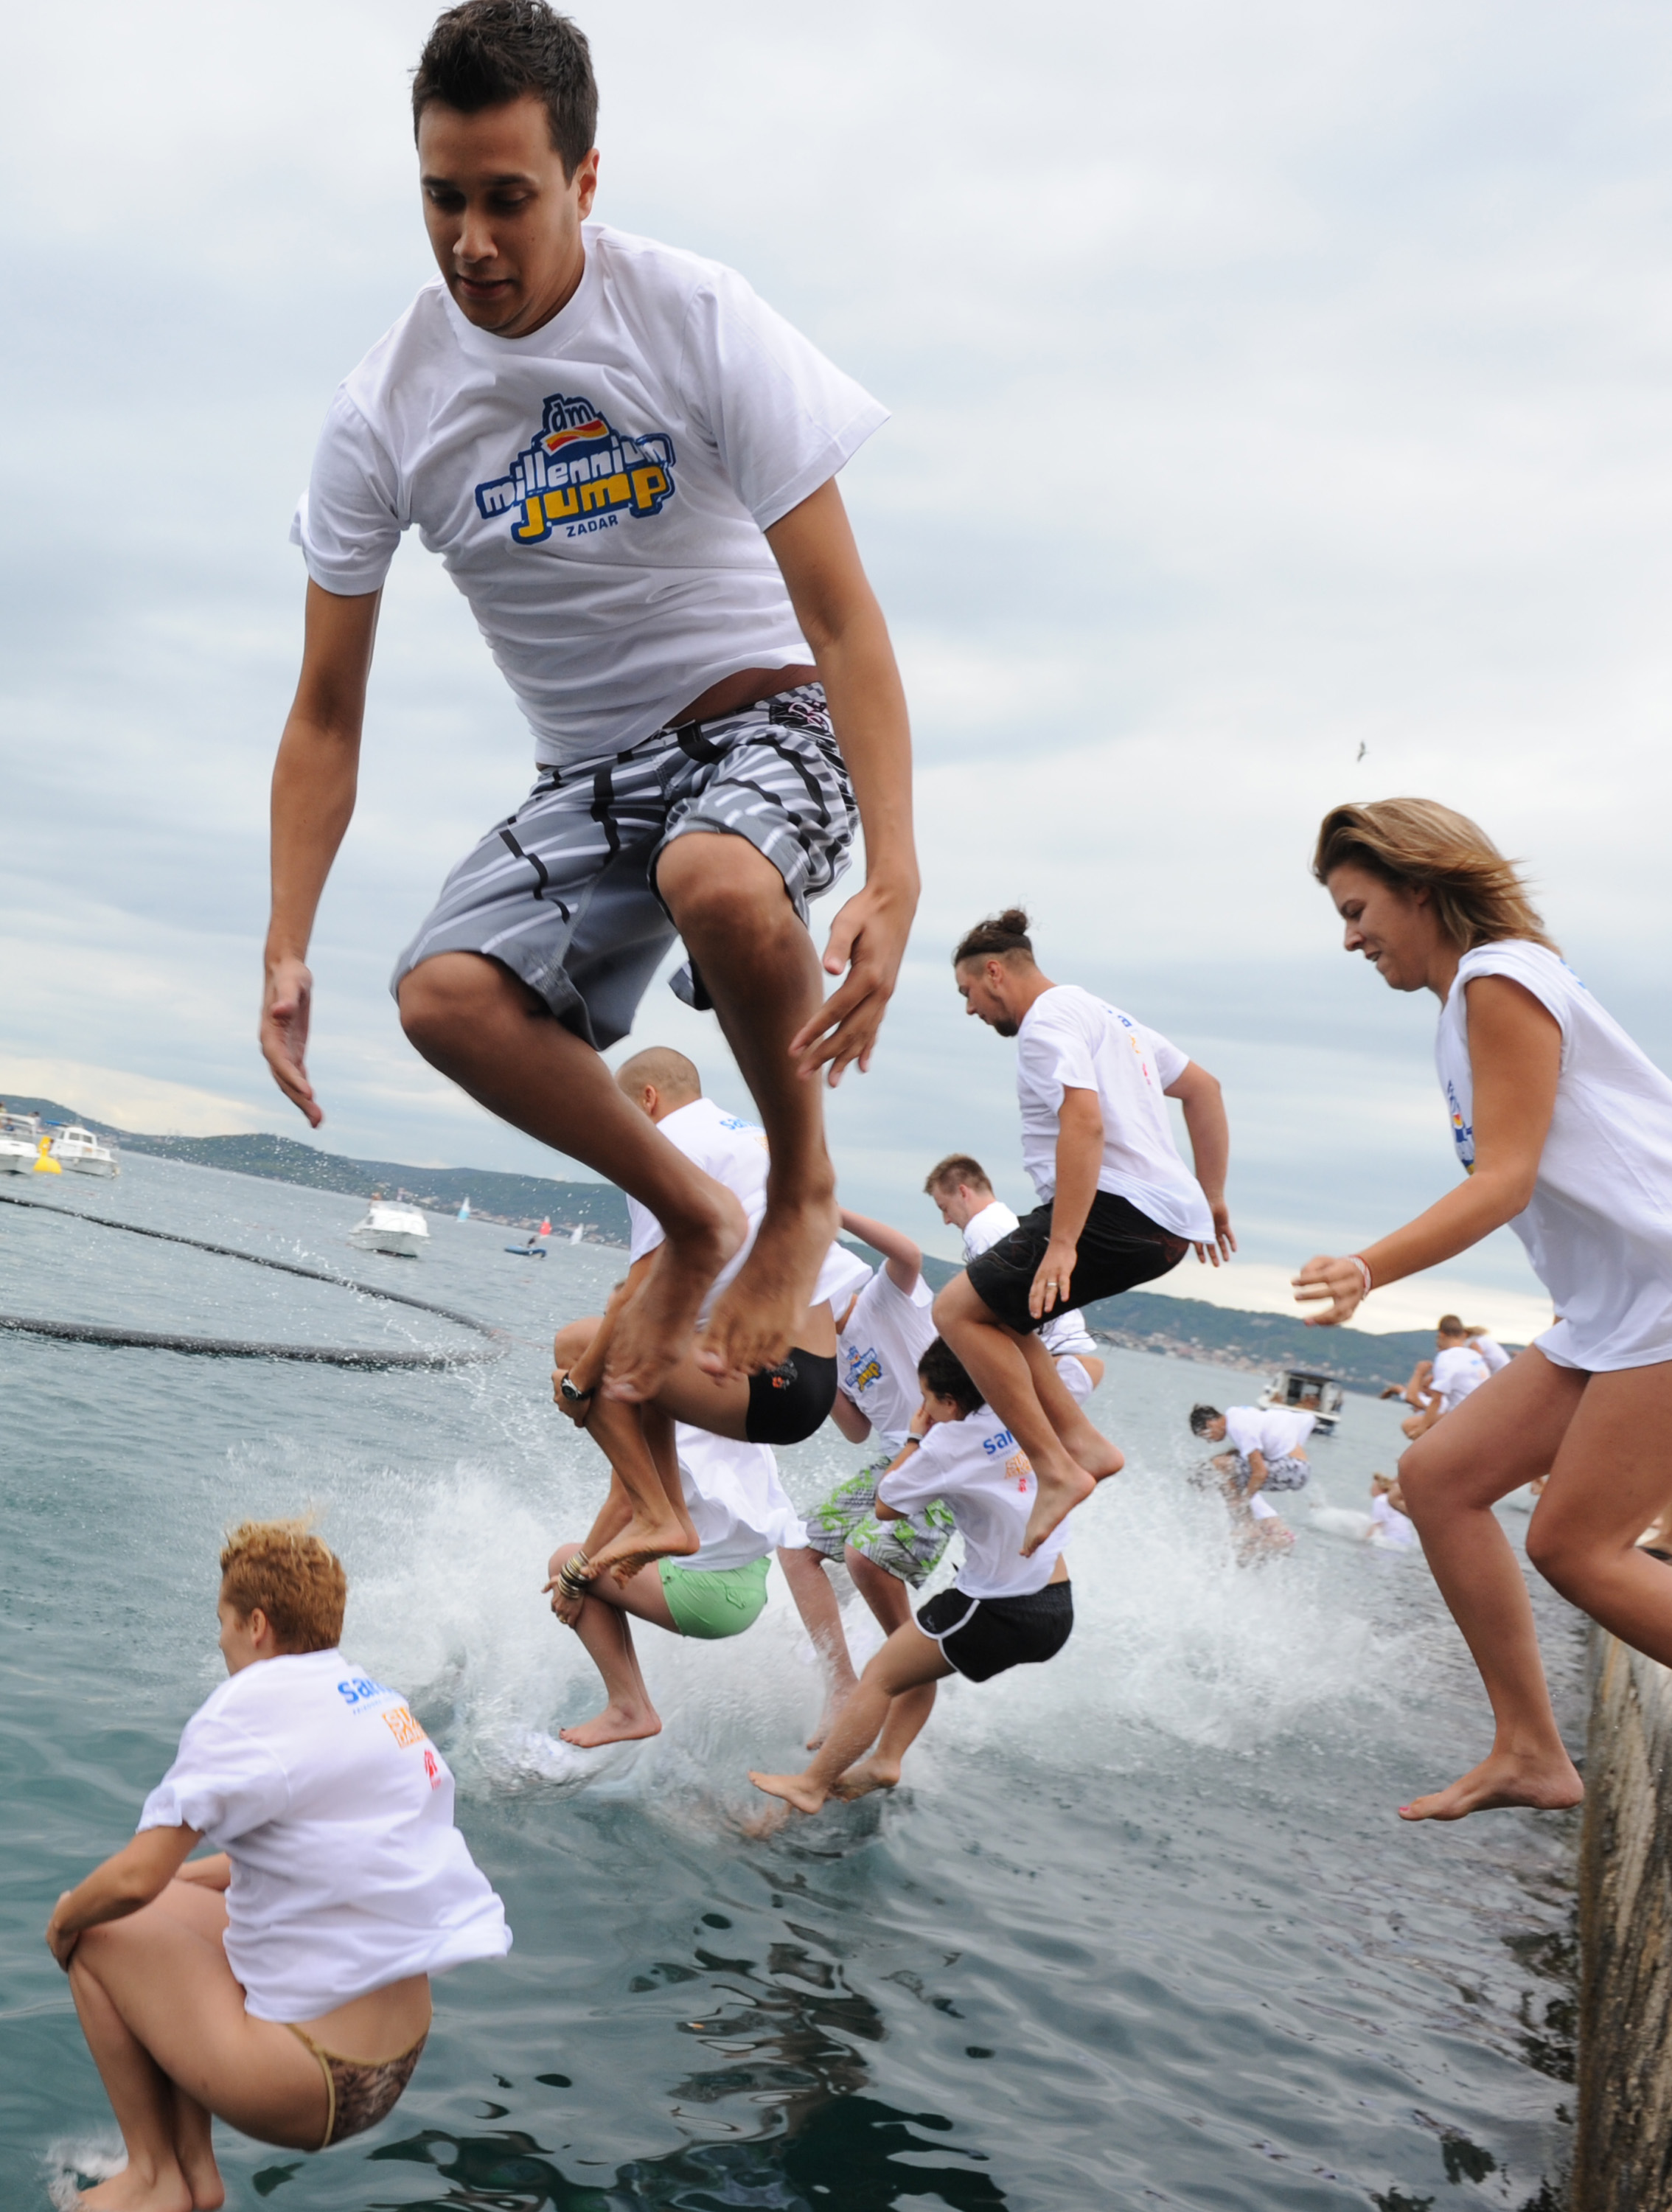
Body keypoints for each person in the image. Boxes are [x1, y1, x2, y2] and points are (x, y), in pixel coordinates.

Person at [261, 0, 918, 1411]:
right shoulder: (385, 406)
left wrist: (898, 870)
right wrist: (286, 939)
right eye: (441, 200)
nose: (472, 243)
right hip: (589, 773)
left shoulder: (687, 315)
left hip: (770, 720)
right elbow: (325, 711)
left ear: (585, 179)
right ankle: (693, 1213)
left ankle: (798, 1190)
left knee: (716, 878)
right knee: (442, 997)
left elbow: (844, 617)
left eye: (509, 199)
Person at [1295, 796, 1672, 1822]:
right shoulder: (1470, 1002)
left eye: (1359, 907)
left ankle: (1531, 1749)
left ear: (1423, 886)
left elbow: (1502, 1180)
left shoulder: (1501, 979)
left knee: (1574, 1547)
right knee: (1437, 1476)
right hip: (1615, 1305)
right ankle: (1530, 1751)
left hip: (1666, 1292)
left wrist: (1368, 1269)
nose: (1350, 936)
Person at [46, 1523, 510, 2209]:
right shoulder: (376, 1703)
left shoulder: (248, 1709)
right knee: (160, 1908)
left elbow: (135, 1878)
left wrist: (63, 1920)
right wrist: (171, 1889)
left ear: (257, 1624)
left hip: (304, 2079)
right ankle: (196, 2181)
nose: (221, 1641)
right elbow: (282, 1862)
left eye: (224, 1624)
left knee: (97, 1929)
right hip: (393, 2061)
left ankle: (155, 2177)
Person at [934, 910, 1233, 1556]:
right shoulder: (1105, 1015)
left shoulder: (1045, 1024)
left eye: (967, 993)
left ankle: (1055, 1468)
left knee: (953, 1310)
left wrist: (1064, 1243)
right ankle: (1083, 1443)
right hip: (1162, 1221)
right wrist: (1210, 1198)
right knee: (1008, 1321)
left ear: (995, 972)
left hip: (1114, 1213)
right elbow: (1204, 1088)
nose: (970, 1010)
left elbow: (1084, 1123)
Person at [553, 1049, 868, 1582]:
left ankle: (659, 1514)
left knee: (576, 1344)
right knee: (651, 1349)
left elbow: (636, 1291)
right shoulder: (752, 1138)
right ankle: (666, 1515)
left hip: (773, 1381)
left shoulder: (670, 1146)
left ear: (647, 1101)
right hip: (808, 1375)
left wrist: (577, 1388)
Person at [747, 1338, 1077, 1818]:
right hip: (1055, 1600)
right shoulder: (1017, 1410)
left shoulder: (947, 1444)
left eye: (926, 1399)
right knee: (910, 1660)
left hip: (1002, 1605)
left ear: (949, 1402)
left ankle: (811, 1786)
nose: (921, 1409)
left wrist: (915, 1438)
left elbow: (887, 1503)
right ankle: (884, 1761)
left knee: (880, 1676)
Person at [544, 1423, 812, 1747]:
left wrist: (573, 1579)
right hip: (749, 1578)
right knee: (595, 1560)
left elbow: (624, 1507)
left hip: (710, 1594)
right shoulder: (714, 1402)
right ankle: (631, 1704)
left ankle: (628, 1708)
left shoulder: (643, 1409)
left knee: (565, 1561)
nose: (560, 1395)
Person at [924, 1152, 1109, 1386]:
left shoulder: (983, 1228)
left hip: (1051, 1357)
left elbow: (996, 1305)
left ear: (963, 1192)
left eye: (945, 1208)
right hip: (1065, 1354)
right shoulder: (1007, 1221)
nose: (946, 1220)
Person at [1187, 1402, 1314, 1498]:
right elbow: (1309, 1419)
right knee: (1227, 1464)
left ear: (1210, 1424)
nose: (1209, 1441)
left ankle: (1247, 1525)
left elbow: (1260, 1473)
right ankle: (1273, 1526)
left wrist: (1243, 1501)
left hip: (1292, 1469)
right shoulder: (1237, 1414)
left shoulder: (1238, 1428)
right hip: (1298, 1468)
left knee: (1220, 1466)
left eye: (1205, 1436)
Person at [1400, 1317, 1491, 1440]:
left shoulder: (1446, 1357)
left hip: (1462, 1416)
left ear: (1442, 1334)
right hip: (1485, 1414)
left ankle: (1432, 1456)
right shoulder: (1475, 1356)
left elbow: (1436, 1400)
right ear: (1463, 1335)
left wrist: (1421, 1431)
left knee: (1410, 1426)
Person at [1367, 1472, 1419, 1551]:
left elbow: (1377, 1524)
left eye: (1373, 1487)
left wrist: (1366, 1539)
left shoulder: (1380, 1500)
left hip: (1393, 1540)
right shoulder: (1392, 1499)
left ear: (1380, 1488)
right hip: (1408, 1539)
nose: (1371, 1489)